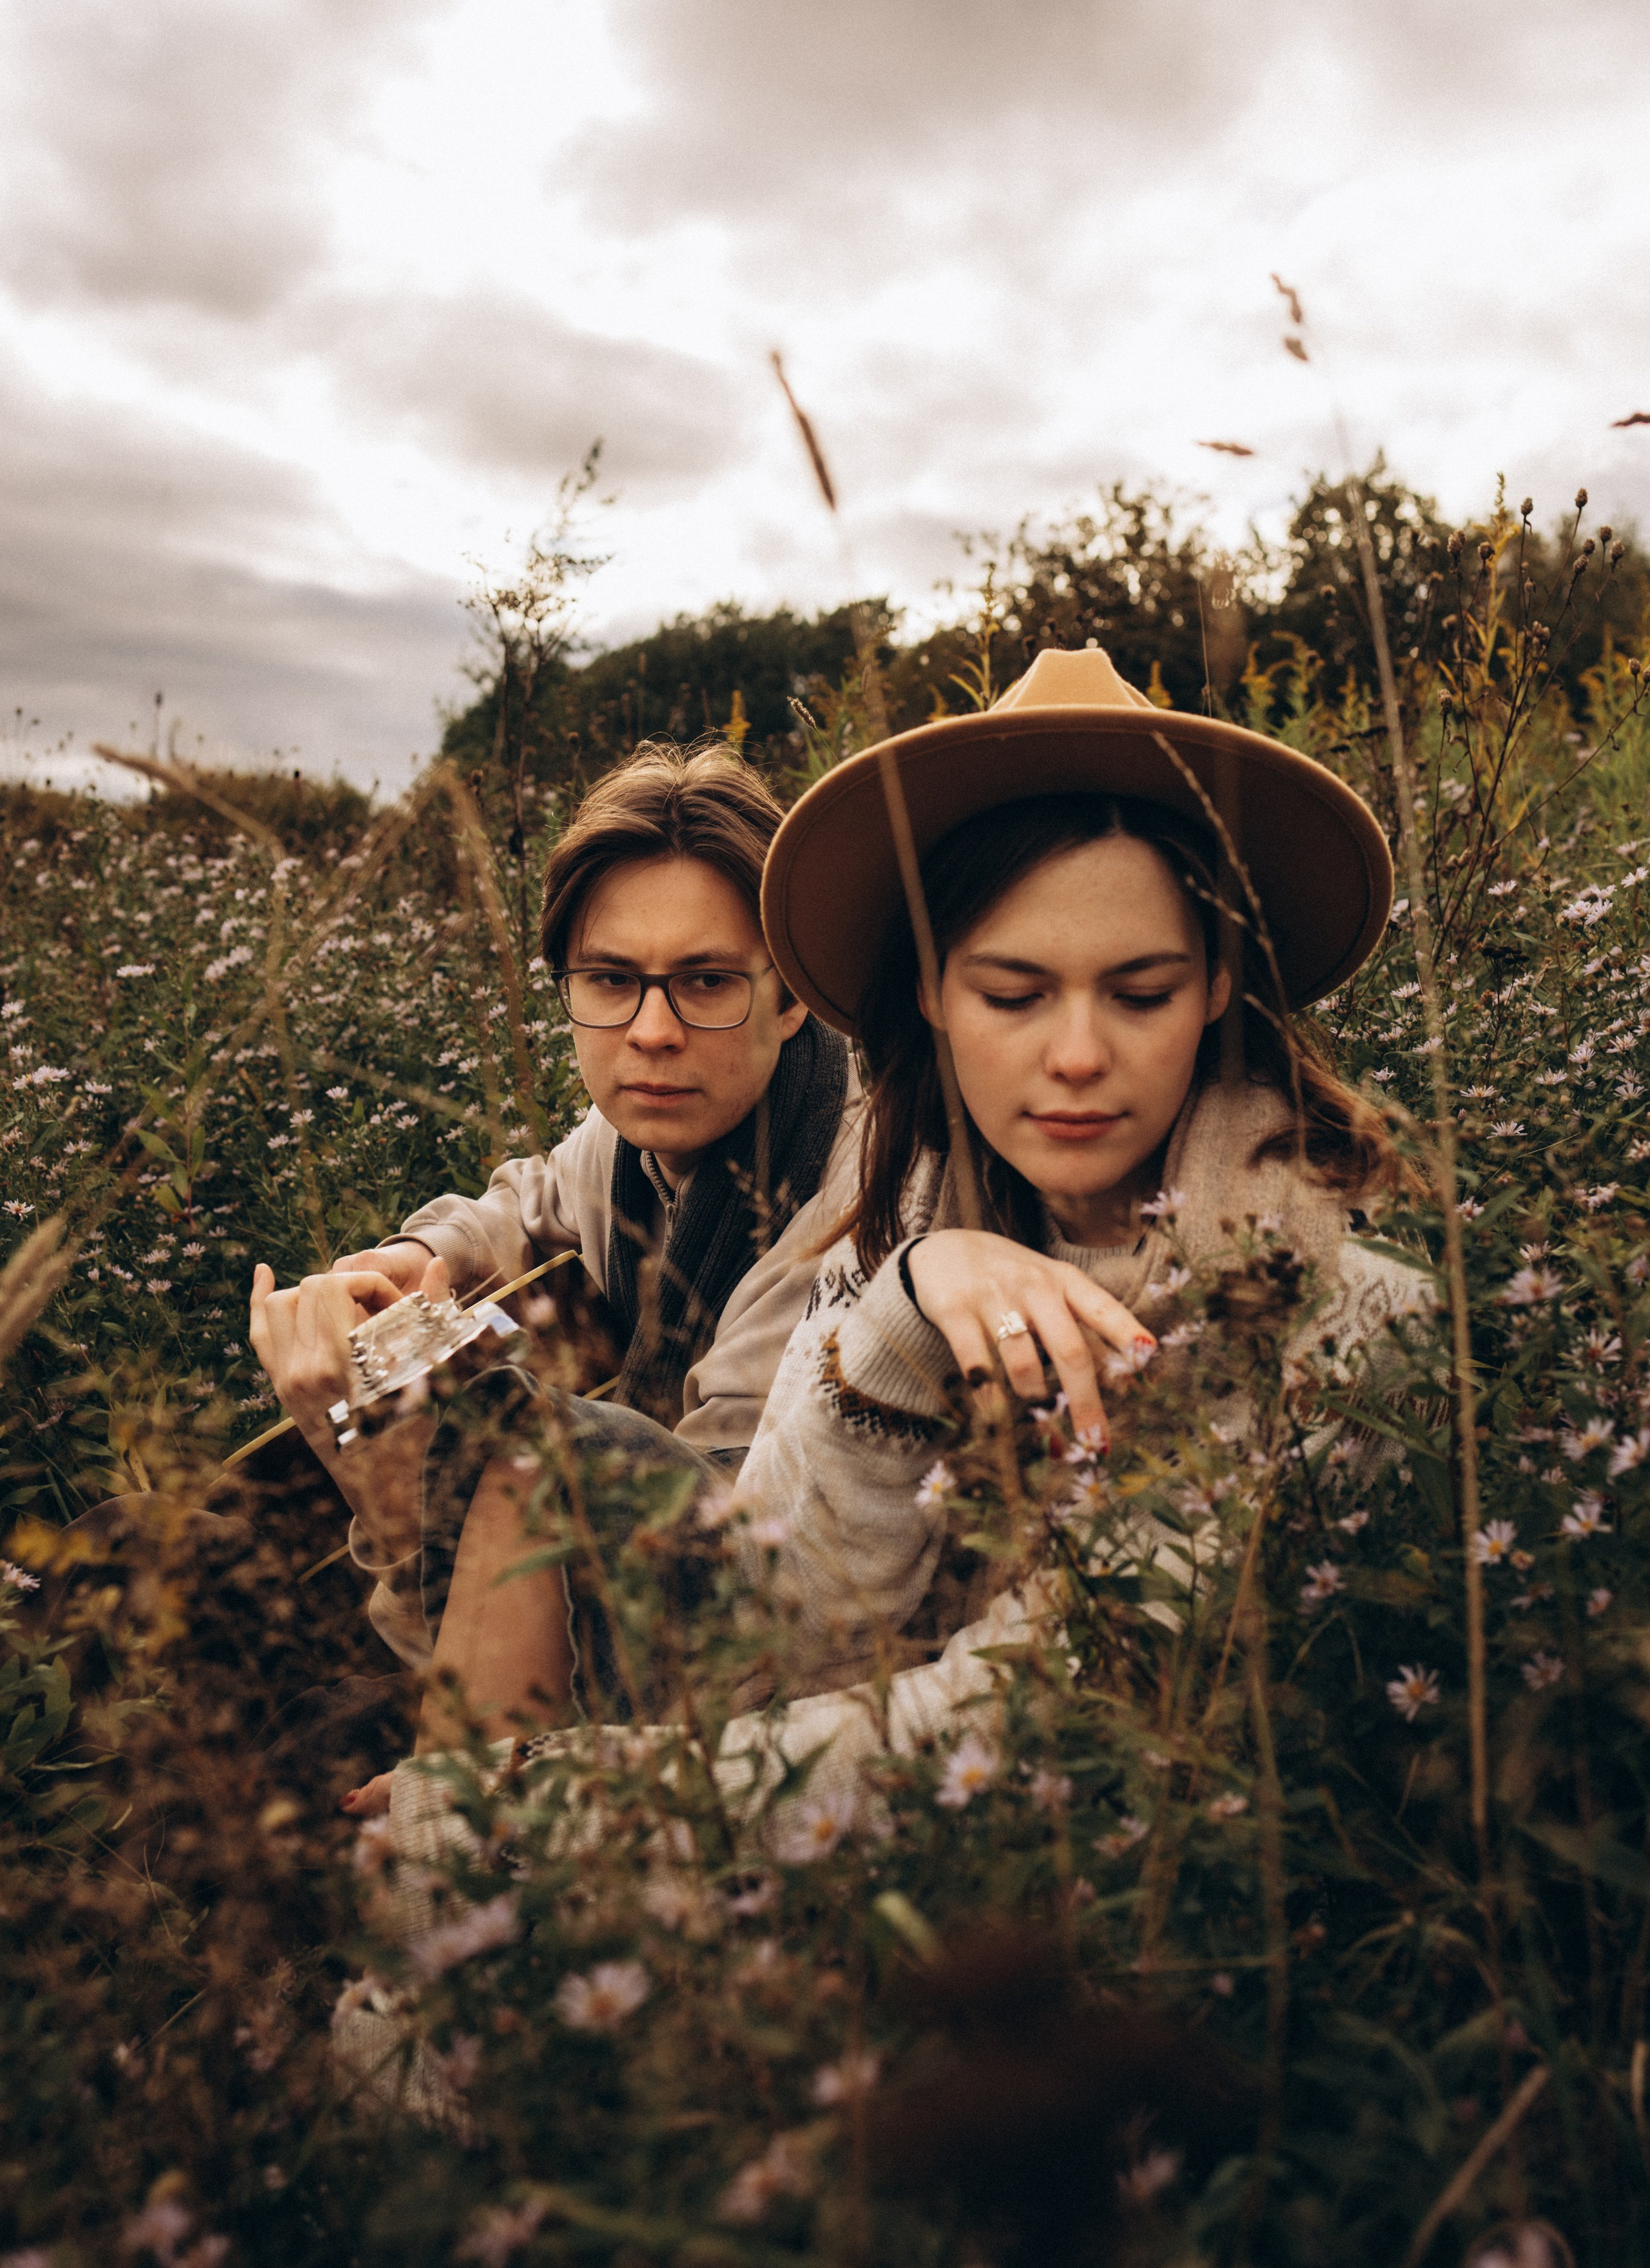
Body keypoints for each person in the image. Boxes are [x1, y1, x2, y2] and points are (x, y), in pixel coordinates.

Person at [729, 642, 1429, 1700]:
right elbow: (759, 1633)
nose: (1077, 1057)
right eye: (1013, 996)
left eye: (1141, 993)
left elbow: (1045, 1726)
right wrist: (906, 1315)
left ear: (1219, 986)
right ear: (930, 992)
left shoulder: (1340, 1317)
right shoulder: (886, 1234)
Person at [248, 741, 859, 1801]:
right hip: (597, 1589)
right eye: (611, 982)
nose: (653, 1033)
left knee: (302, 1771)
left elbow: (689, 1610)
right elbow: (529, 1197)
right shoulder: (637, 1135)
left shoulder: (841, 1198)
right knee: (205, 1588)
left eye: (708, 982)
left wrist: (392, 1497)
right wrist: (413, 1260)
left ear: (795, 993)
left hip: (716, 1695)